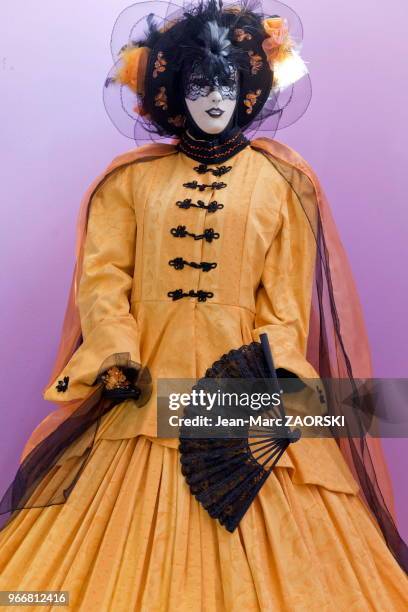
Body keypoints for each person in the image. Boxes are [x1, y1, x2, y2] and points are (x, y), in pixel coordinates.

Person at [0, 1, 407, 609]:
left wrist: (283, 372)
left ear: (247, 90)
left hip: (244, 382)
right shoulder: (128, 182)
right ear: (172, 91)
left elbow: (287, 300)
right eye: (198, 83)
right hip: (145, 385)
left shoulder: (281, 183)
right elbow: (104, 279)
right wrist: (117, 352)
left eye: (226, 83)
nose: (213, 97)